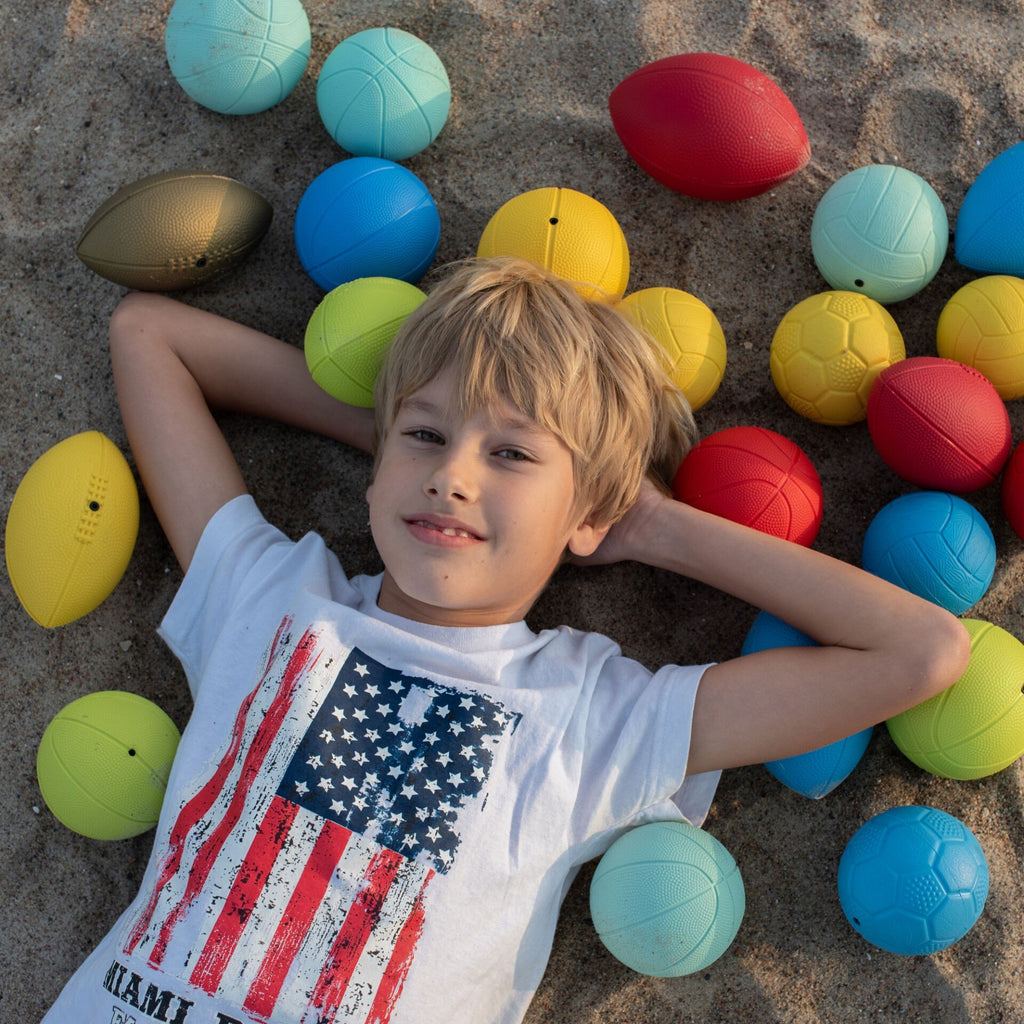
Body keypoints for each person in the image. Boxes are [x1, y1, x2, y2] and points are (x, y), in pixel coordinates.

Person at [42, 257, 968, 1024]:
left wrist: (648, 524)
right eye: (425, 435)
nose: (450, 475)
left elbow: (921, 652)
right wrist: (392, 448)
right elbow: (150, 335)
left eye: (513, 453)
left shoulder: (594, 718)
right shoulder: (272, 599)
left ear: (589, 510)